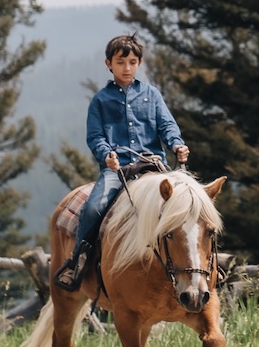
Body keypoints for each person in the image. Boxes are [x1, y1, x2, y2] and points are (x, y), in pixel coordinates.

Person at [54, 34, 190, 291]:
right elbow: (95, 136)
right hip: (117, 169)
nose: (127, 68)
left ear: (139, 63)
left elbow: (167, 125)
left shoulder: (152, 95)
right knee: (94, 207)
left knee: (188, 202)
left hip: (153, 167)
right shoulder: (100, 100)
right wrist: (107, 154)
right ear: (109, 64)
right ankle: (78, 262)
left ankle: (201, 265)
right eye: (120, 62)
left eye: (132, 62)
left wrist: (176, 144)